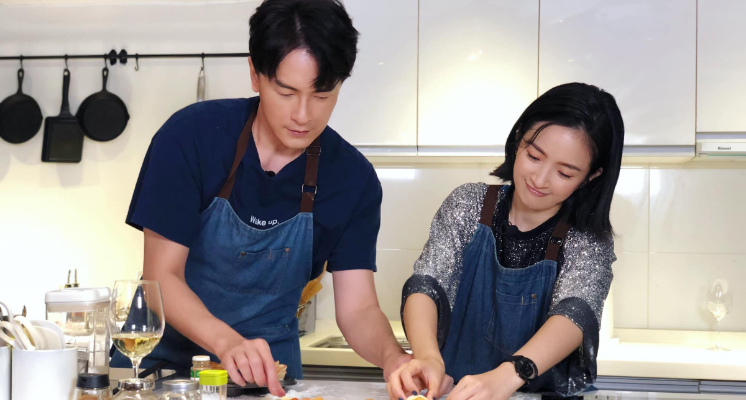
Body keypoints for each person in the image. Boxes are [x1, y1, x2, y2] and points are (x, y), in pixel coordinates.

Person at [111, 0, 411, 394]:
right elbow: (161, 276)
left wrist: (394, 358)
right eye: (286, 92)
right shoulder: (191, 138)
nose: (303, 115)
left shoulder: (352, 178)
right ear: (255, 73)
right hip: (156, 366)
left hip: (268, 376)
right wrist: (227, 343)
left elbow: (358, 309)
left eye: (322, 95)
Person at [387, 82, 625, 400]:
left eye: (565, 173)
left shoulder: (586, 239)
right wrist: (428, 358)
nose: (540, 179)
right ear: (518, 139)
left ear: (591, 176)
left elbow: (575, 314)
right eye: (534, 156)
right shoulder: (467, 204)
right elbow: (427, 284)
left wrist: (507, 376)